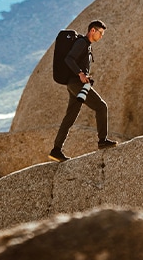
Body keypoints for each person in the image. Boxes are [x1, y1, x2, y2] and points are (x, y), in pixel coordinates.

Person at [49, 20, 117, 162]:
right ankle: (102, 140)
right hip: (76, 84)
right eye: (101, 33)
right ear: (93, 30)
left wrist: (84, 75)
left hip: (75, 84)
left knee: (70, 118)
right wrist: (80, 73)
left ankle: (56, 150)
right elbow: (69, 59)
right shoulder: (82, 43)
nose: (101, 36)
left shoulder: (87, 46)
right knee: (101, 106)